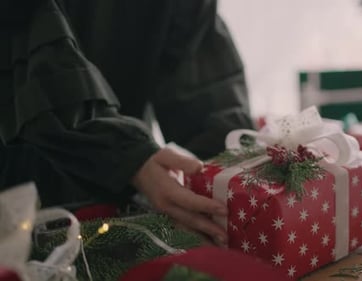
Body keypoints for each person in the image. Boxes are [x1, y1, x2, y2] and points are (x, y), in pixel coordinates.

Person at [0, 0, 254, 246]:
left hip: (121, 214)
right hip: (16, 214)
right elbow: (25, 53)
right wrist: (127, 153)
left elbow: (205, 85)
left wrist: (234, 174)